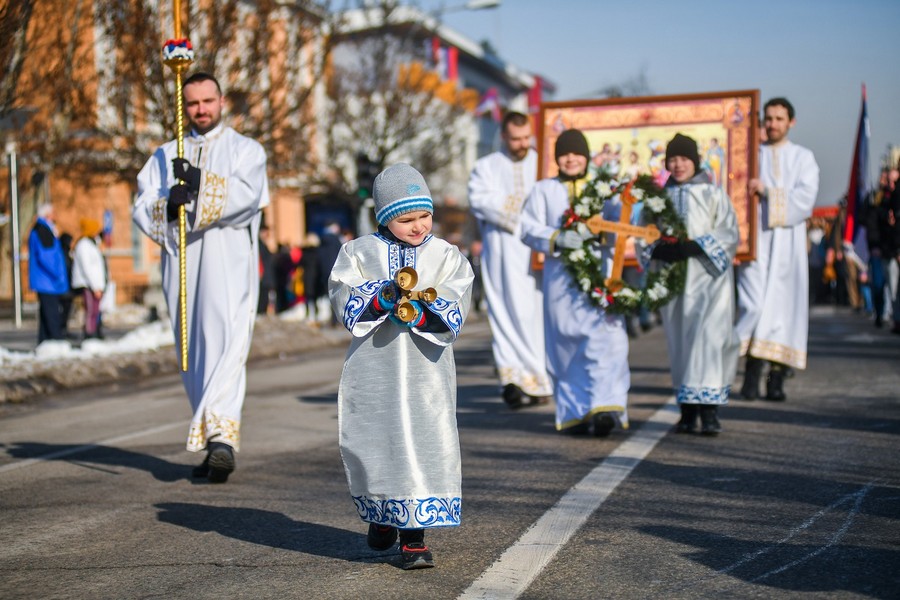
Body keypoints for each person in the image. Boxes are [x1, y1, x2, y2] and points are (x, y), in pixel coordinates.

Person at [328, 163, 474, 570]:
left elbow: (456, 298)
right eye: (406, 218)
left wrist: (420, 307)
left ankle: (413, 537)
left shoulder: (445, 254)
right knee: (376, 440)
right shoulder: (358, 252)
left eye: (424, 215)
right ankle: (381, 514)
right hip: (374, 371)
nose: (418, 227)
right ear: (386, 216)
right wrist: (384, 295)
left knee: (423, 442)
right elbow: (343, 295)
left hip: (425, 372)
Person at [133, 71, 269, 483]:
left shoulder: (246, 149)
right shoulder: (163, 154)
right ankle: (214, 441)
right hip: (184, 261)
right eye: (192, 103)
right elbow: (142, 205)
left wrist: (201, 184)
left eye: (208, 101)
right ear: (182, 106)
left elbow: (249, 196)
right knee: (191, 348)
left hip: (228, 263)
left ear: (221, 100)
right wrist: (167, 202)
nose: (201, 110)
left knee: (228, 340)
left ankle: (223, 439)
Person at [520, 129, 630, 436]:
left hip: (601, 274)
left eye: (577, 153)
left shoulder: (603, 188)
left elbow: (622, 221)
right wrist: (557, 238)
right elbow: (528, 228)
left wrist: (619, 212)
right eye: (565, 153)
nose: (571, 159)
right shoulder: (544, 190)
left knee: (608, 339)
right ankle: (576, 411)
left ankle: (606, 405)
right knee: (566, 343)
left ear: (587, 156)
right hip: (561, 279)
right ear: (557, 158)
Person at [645, 134, 740, 434]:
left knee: (710, 340)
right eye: (673, 159)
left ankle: (709, 411)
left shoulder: (713, 194)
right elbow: (643, 232)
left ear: (695, 161)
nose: (678, 164)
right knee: (681, 342)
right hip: (675, 280)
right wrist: (657, 248)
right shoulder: (659, 199)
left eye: (684, 158)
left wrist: (699, 246)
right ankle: (687, 410)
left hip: (709, 280)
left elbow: (729, 232)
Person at [736, 97, 819, 401]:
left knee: (783, 310)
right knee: (754, 305)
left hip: (787, 243)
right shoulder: (749, 154)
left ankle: (776, 379)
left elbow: (806, 199)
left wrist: (769, 192)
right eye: (768, 118)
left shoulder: (803, 157)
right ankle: (751, 373)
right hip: (756, 242)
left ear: (790, 122)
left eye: (779, 119)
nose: (772, 124)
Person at [467, 111, 552, 409]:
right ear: (503, 136)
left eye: (526, 137)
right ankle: (511, 380)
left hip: (535, 252)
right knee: (502, 310)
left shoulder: (543, 163)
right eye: (516, 138)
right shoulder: (486, 167)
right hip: (502, 249)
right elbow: (479, 200)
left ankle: (538, 378)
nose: (522, 144)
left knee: (534, 313)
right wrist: (521, 214)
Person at [28, 203, 69, 344]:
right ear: (47, 215)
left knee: (46, 314)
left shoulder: (41, 229)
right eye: (53, 213)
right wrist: (59, 274)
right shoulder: (43, 231)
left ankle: (44, 342)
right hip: (48, 281)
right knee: (52, 314)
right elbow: (47, 257)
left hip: (44, 280)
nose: (56, 216)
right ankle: (55, 341)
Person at [71, 218, 108, 340]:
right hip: (88, 284)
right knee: (91, 310)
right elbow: (87, 268)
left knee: (96, 310)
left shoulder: (93, 244)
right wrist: (94, 286)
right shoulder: (83, 245)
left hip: (96, 284)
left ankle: (95, 331)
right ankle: (89, 333)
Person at [316, 221, 342, 325]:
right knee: (339, 295)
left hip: (325, 272)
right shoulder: (336, 240)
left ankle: (333, 319)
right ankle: (338, 319)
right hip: (336, 270)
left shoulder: (321, 241)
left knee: (330, 296)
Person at [58, 232, 75, 338]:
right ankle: (61, 330)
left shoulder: (68, 253)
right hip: (64, 286)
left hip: (68, 287)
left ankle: (63, 329)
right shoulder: (62, 253)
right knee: (63, 311)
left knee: (67, 310)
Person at [257, 223, 275, 315]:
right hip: (262, 279)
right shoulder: (258, 245)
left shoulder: (263, 245)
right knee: (261, 303)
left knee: (265, 302)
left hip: (266, 279)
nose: (268, 234)